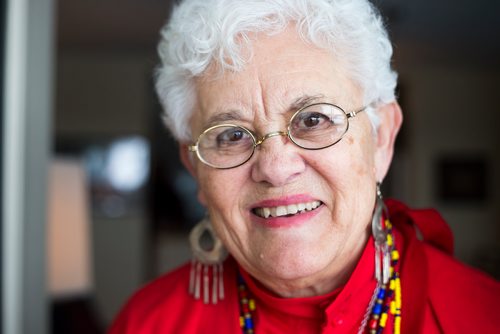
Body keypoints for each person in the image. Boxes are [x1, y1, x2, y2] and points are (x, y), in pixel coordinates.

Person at [109, 0, 500, 333]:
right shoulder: (147, 322)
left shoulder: (482, 317)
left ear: (381, 140)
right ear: (194, 168)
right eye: (230, 135)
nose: (276, 168)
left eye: (313, 120)